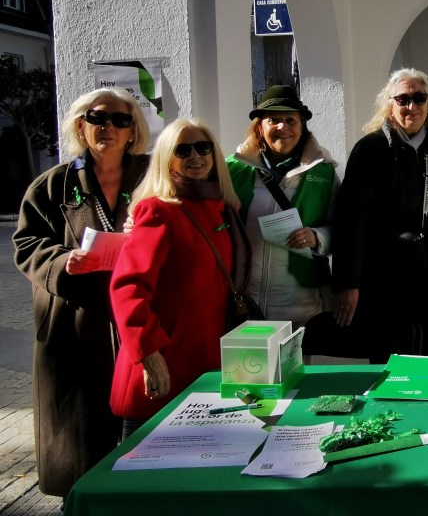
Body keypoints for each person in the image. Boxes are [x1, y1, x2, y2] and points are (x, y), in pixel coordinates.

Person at [12, 87, 151, 497]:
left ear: (133, 131)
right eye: (98, 118)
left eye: (120, 120)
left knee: (141, 436)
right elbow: (26, 245)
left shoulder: (151, 176)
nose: (108, 127)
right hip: (75, 326)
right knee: (80, 438)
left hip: (137, 324)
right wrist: (61, 261)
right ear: (81, 125)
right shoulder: (53, 184)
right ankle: (82, 502)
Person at [109, 118, 250, 437]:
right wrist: (148, 353)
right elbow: (128, 288)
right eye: (182, 150)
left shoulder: (220, 207)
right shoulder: (159, 210)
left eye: (203, 147)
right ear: (165, 158)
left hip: (206, 369)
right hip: (164, 370)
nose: (195, 156)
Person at [329, 69, 428, 360]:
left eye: (419, 98)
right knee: (387, 362)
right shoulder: (370, 150)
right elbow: (351, 222)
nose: (411, 106)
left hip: (427, 277)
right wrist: (349, 283)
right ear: (390, 104)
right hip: (381, 279)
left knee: (425, 359)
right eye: (403, 99)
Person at [226, 85, 339, 334]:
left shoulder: (324, 172)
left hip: (301, 306)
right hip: (245, 301)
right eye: (273, 120)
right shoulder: (233, 168)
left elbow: (341, 228)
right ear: (259, 127)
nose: (282, 127)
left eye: (290, 120)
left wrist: (317, 237)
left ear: (301, 127)